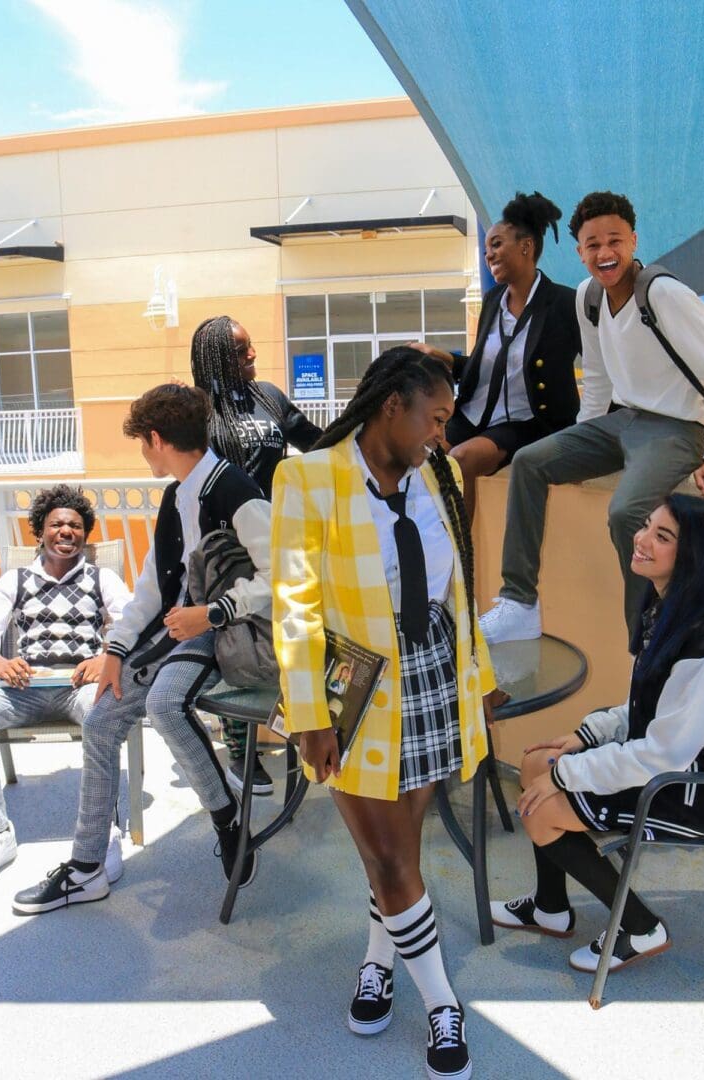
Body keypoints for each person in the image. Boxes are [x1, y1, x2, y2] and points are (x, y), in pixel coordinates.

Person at [271, 346, 504, 1080]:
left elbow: (459, 583)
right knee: (390, 855)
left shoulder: (436, 472)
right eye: (434, 418)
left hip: (433, 672)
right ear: (389, 408)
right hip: (355, 690)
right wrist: (309, 711)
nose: (443, 434)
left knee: (396, 847)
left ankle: (379, 962)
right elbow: (295, 603)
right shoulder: (308, 475)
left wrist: (481, 676)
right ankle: (442, 1004)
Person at [12, 384, 272, 914]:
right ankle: (86, 870)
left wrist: (214, 611)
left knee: (163, 704)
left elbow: (287, 577)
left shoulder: (236, 490)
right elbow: (153, 586)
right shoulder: (177, 497)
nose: (143, 454)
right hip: (174, 633)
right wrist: (115, 649)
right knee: (101, 718)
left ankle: (226, 820)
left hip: (228, 633)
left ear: (156, 439)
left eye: (142, 444)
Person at [491, 494, 704, 972]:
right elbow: (645, 708)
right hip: (666, 766)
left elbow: (662, 755)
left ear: (694, 557)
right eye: (647, 526)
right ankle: (551, 908)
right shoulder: (669, 610)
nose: (642, 539)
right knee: (535, 765)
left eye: (662, 536)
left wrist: (568, 776)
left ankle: (640, 926)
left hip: (698, 793)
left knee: (543, 808)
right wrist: (588, 736)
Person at [478, 191, 704, 645]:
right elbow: (598, 380)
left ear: (634, 241)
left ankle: (647, 639)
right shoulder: (589, 298)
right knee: (529, 460)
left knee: (627, 512)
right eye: (593, 244)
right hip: (622, 421)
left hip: (677, 427)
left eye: (615, 241)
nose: (605, 253)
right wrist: (578, 444)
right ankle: (518, 602)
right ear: (580, 252)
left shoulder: (664, 295)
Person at [0, 484, 131, 889]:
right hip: (24, 689)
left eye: (75, 525)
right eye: (56, 524)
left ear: (85, 534)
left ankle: (103, 833)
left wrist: (107, 656)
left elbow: (131, 624)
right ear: (40, 531)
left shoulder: (101, 578)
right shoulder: (15, 580)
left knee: (101, 714)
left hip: (78, 687)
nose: (66, 531)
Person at [191, 314, 322, 795]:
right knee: (242, 645)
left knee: (292, 637)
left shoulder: (269, 396)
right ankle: (241, 747)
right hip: (227, 546)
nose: (252, 355)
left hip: (277, 536)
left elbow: (316, 442)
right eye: (240, 350)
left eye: (250, 346)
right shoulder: (197, 410)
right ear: (214, 359)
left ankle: (301, 727)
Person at [413, 191, 580, 523]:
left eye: (497, 244)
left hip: (526, 425)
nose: (489, 253)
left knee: (460, 460)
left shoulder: (564, 303)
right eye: (487, 247)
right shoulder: (492, 301)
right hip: (472, 418)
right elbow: (488, 369)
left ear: (526, 246)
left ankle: (460, 560)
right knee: (414, 449)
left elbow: (602, 364)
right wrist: (443, 357)